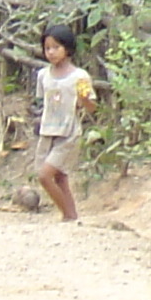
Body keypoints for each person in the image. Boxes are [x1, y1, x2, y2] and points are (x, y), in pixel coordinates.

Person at [34, 26, 96, 222]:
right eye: (47, 48)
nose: (51, 52)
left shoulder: (79, 77)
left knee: (45, 176)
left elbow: (92, 107)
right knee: (59, 176)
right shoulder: (43, 75)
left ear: (68, 49)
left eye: (56, 47)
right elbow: (42, 101)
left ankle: (67, 214)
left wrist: (84, 98)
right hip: (48, 130)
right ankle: (71, 216)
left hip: (68, 132)